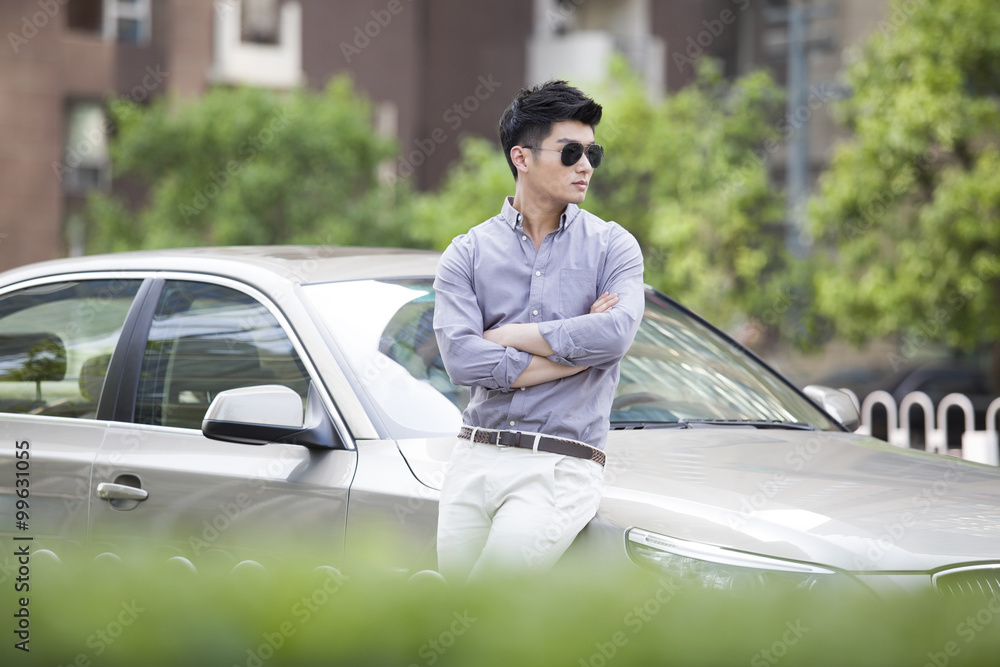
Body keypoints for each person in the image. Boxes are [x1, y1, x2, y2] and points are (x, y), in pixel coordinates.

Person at [432, 80, 644, 583]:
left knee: (483, 602)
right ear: (521, 157)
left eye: (592, 152)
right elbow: (461, 361)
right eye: (570, 151)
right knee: (451, 625)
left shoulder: (613, 247)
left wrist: (506, 336)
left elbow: (614, 335)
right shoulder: (466, 253)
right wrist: (572, 353)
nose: (586, 164)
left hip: (558, 465)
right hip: (472, 457)